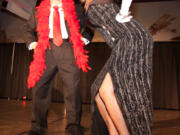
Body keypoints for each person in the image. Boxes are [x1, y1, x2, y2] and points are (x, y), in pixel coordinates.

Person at [23, 0, 94, 135]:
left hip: (68, 48)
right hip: (45, 49)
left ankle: (73, 127)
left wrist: (84, 39)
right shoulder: (38, 10)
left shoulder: (76, 7)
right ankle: (37, 128)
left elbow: (89, 26)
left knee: (72, 89)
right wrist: (32, 43)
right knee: (40, 89)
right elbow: (28, 29)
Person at [84, 0, 154, 135]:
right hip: (122, 42)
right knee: (98, 93)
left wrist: (124, 11)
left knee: (106, 91)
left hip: (132, 40)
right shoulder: (86, 3)